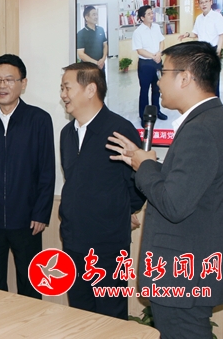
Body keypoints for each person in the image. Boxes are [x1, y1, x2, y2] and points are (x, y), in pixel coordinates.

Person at [107, 41, 223, 338]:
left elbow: (173, 204)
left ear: (185, 78)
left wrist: (145, 166)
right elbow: (188, 189)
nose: (157, 81)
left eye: (163, 72)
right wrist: (143, 163)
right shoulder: (212, 121)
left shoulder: (201, 129)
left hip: (183, 276)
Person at [59, 62, 144, 319]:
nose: (63, 94)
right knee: (80, 316)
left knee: (110, 319)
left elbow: (137, 183)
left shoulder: (120, 131)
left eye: (67, 87)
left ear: (90, 89)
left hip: (108, 246)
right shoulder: (67, 133)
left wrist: (121, 212)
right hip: (73, 241)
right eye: (62, 88)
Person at [0, 54, 55, 299]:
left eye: (9, 79)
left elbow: (46, 171)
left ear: (23, 83)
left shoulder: (39, 120)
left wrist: (41, 213)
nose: (2, 85)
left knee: (30, 284)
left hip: (27, 220)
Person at [178, 0, 223, 96]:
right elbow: (196, 34)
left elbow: (221, 35)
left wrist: (217, 52)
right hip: (201, 51)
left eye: (206, 1)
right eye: (201, 2)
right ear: (199, 4)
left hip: (212, 50)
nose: (204, 4)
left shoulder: (217, 17)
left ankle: (215, 103)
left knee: (213, 81)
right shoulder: (199, 18)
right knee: (202, 80)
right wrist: (187, 34)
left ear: (211, 2)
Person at [132, 5, 167, 125]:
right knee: (144, 90)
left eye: (152, 13)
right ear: (142, 18)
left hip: (157, 62)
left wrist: (159, 53)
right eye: (149, 14)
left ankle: (157, 111)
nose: (152, 15)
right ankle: (144, 116)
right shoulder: (138, 32)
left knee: (157, 88)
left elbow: (162, 41)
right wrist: (153, 56)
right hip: (145, 64)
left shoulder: (156, 27)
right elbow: (139, 50)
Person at [77, 6, 108, 71]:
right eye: (94, 15)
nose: (96, 17)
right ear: (87, 17)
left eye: (96, 14)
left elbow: (105, 45)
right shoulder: (81, 34)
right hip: (88, 69)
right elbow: (81, 54)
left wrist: (103, 59)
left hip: (101, 66)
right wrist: (96, 63)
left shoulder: (101, 30)